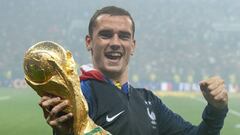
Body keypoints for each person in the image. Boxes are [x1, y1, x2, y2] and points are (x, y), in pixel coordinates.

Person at [39, 6, 228, 135]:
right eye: (105, 35)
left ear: (133, 45)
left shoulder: (149, 101)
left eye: (124, 36)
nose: (115, 43)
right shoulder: (80, 94)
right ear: (89, 42)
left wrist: (216, 109)